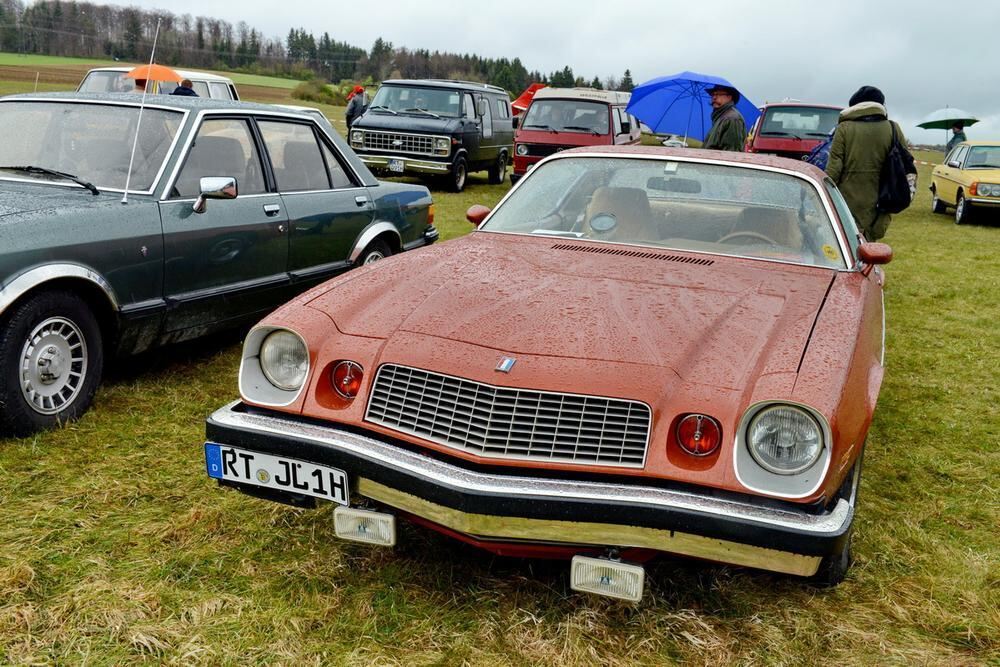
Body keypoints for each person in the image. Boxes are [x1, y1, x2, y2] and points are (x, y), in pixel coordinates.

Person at [826, 85, 910, 241]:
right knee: (870, 248)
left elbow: (833, 171)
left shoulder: (844, 128)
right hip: (882, 201)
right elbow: (906, 165)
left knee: (846, 245)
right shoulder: (893, 128)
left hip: (847, 201)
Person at [702, 84, 746, 151]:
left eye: (719, 94)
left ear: (729, 97)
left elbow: (731, 153)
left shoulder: (732, 119)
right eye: (713, 94)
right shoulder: (720, 117)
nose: (714, 97)